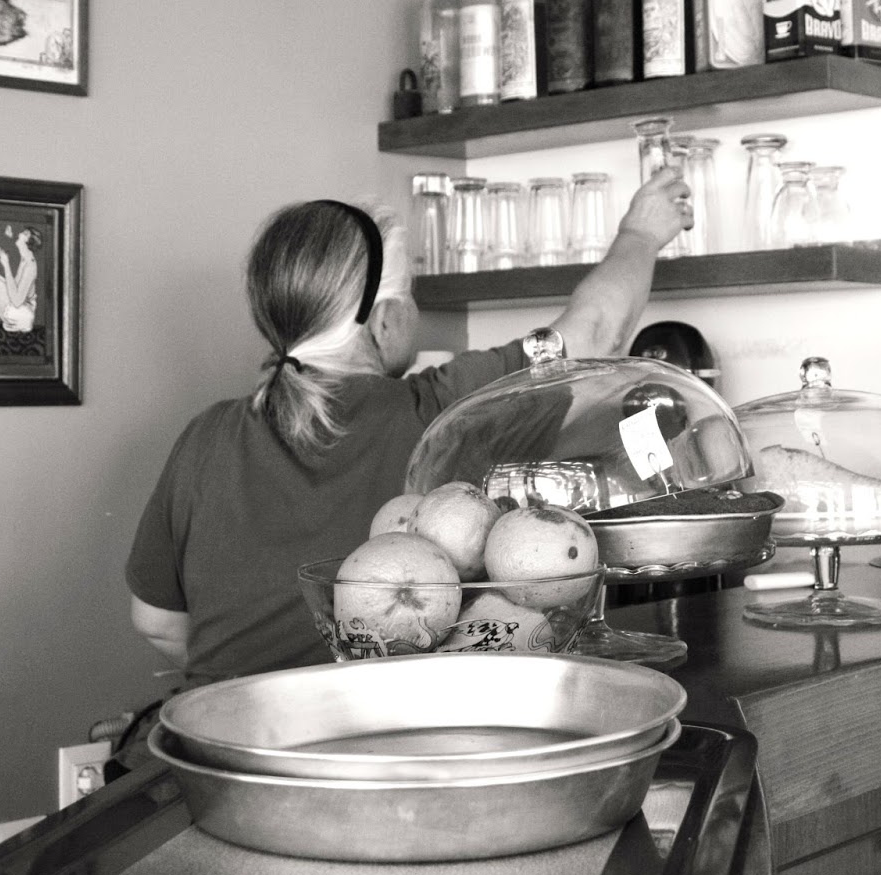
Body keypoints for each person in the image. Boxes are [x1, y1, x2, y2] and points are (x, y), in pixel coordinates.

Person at [123, 168, 692, 690]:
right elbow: (596, 333)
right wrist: (641, 233)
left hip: (213, 736)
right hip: (378, 738)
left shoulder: (207, 434)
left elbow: (157, 622)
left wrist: (273, 690)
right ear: (385, 320)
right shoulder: (442, 409)